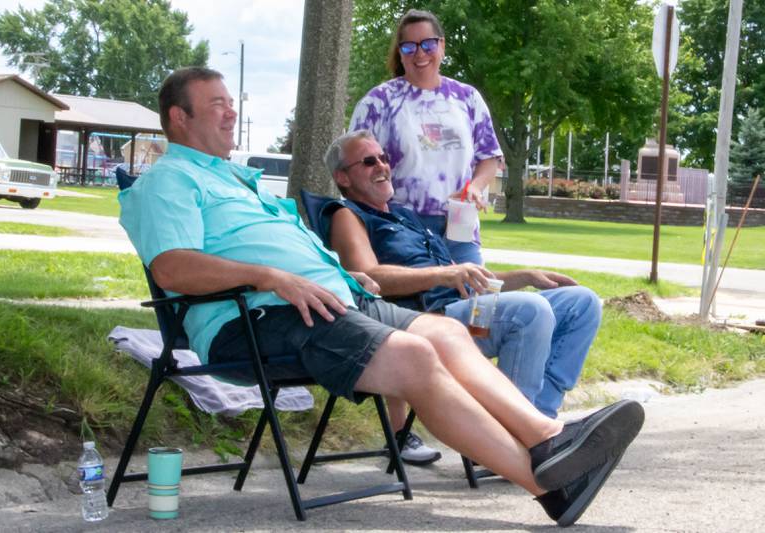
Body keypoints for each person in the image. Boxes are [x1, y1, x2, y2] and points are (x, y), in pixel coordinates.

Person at [118, 67, 644, 527]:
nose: (232, 114)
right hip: (256, 318)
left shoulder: (240, 181)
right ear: (178, 118)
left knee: (444, 330)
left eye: (232, 104)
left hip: (330, 299)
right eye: (217, 106)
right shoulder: (170, 180)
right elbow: (173, 266)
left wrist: (345, 278)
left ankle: (549, 437)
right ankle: (549, 485)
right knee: (415, 356)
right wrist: (270, 277)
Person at [320, 130, 602, 466]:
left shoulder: (405, 217)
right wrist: (443, 275)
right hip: (427, 324)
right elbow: (369, 279)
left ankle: (543, 420)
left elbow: (467, 276)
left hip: (468, 316)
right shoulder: (347, 216)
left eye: (383, 158)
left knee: (581, 302)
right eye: (368, 161)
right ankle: (516, 441)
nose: (382, 166)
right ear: (342, 176)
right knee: (529, 312)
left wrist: (525, 276)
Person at [349, 8, 501, 266]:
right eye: (409, 47)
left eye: (427, 44)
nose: (420, 53)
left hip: (460, 225)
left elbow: (489, 157)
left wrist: (474, 188)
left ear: (441, 45)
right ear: (400, 52)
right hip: (403, 226)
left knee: (474, 299)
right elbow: (353, 165)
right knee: (425, 301)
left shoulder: (467, 98)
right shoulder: (379, 103)